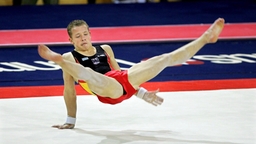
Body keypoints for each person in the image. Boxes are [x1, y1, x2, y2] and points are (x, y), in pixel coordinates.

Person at [38, 18, 225, 129]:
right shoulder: (70, 56)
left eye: (85, 34)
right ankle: (58, 60)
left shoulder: (106, 49)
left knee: (163, 59)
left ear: (90, 34)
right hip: (104, 91)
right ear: (71, 40)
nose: (83, 38)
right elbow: (69, 91)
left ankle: (205, 38)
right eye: (77, 36)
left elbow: (121, 77)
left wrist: (142, 94)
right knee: (89, 74)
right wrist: (71, 120)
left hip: (119, 86)